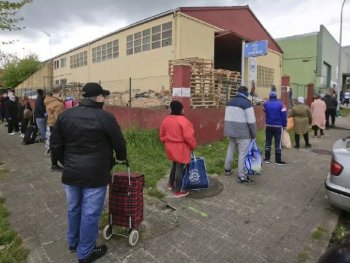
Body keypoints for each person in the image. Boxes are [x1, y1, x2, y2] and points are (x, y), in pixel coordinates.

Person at [51, 82, 127, 263]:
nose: (105, 100)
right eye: (104, 97)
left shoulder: (65, 115)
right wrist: (121, 158)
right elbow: (119, 143)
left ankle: (73, 242)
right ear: (99, 98)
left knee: (73, 208)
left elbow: (55, 145)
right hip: (96, 174)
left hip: (71, 173)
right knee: (90, 213)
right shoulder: (105, 117)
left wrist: (66, 162)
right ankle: (85, 252)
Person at [160, 100, 197, 197]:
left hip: (170, 147)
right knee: (179, 168)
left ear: (171, 109)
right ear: (180, 109)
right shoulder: (184, 121)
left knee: (174, 165)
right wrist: (193, 146)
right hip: (181, 148)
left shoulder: (166, 119)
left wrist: (167, 141)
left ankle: (170, 184)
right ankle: (177, 190)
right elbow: (189, 137)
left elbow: (162, 134)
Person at [224, 86, 257, 183]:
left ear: (238, 92)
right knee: (243, 154)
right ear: (246, 93)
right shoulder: (247, 103)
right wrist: (253, 135)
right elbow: (251, 122)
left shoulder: (229, 102)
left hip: (230, 132)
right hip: (243, 134)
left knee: (230, 149)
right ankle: (241, 175)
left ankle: (227, 169)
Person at [263, 91, 287, 165]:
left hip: (268, 126)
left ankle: (267, 159)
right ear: (276, 96)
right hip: (278, 126)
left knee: (268, 142)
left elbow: (264, 110)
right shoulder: (281, 104)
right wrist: (284, 125)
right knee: (278, 143)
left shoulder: (265, 104)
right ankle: (278, 160)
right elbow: (284, 116)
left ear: (269, 96)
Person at [44, 86, 65, 171]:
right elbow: (59, 119)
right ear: (59, 92)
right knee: (58, 146)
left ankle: (54, 164)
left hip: (51, 124)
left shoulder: (48, 100)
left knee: (53, 145)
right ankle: (56, 165)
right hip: (56, 126)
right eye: (62, 92)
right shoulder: (57, 103)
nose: (62, 93)